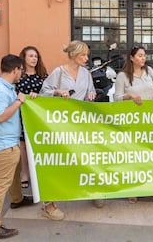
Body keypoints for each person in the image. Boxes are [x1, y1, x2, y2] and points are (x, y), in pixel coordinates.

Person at [39, 40, 100, 220]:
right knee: (57, 161)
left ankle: (93, 192)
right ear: (73, 55)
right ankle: (49, 203)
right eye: (83, 55)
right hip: (60, 125)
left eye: (87, 55)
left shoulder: (86, 74)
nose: (86, 58)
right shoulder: (58, 72)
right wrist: (57, 92)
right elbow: (44, 92)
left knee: (86, 158)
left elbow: (92, 92)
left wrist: (92, 95)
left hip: (81, 124)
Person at [0, 54, 35, 240]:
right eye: (20, 69)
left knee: (14, 173)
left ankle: (17, 199)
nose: (21, 72)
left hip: (8, 141)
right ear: (15, 70)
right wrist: (19, 101)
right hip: (2, 143)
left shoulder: (5, 88)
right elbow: (0, 116)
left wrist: (24, 98)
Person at [114, 45, 153, 203]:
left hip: (150, 119)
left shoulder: (149, 71)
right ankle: (134, 188)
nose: (143, 58)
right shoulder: (122, 76)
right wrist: (129, 95)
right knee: (134, 154)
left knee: (151, 154)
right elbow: (117, 97)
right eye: (139, 55)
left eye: (144, 55)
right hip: (132, 120)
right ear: (131, 58)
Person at [16, 46, 48, 189]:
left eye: (35, 56)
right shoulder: (18, 75)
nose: (34, 59)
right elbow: (13, 93)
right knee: (23, 145)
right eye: (30, 56)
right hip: (22, 114)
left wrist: (39, 96)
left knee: (38, 143)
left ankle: (39, 172)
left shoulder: (43, 75)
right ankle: (25, 173)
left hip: (39, 116)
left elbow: (48, 92)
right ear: (24, 58)